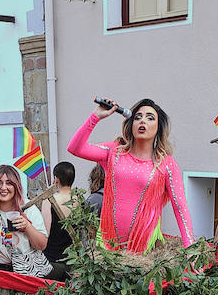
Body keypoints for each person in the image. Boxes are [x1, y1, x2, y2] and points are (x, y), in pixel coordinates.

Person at [69, 98, 193, 251]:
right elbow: (75, 148)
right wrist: (96, 116)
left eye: (150, 118)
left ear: (158, 127)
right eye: (138, 117)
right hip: (108, 250)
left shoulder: (166, 164)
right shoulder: (114, 152)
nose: (143, 121)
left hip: (147, 252)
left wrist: (190, 248)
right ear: (131, 124)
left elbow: (180, 208)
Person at [41, 161, 78, 280]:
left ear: (56, 179)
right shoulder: (80, 200)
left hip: (52, 259)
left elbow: (45, 232)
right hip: (74, 261)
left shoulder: (48, 201)